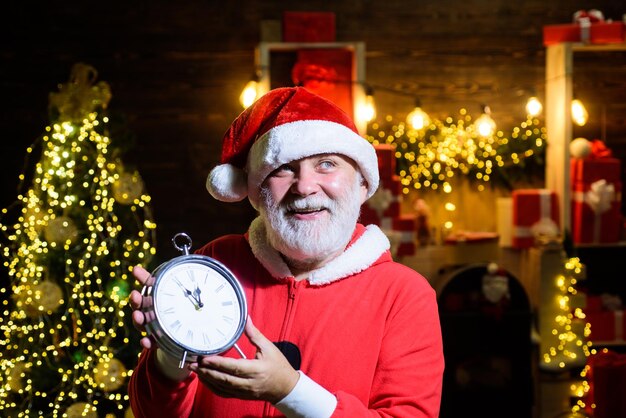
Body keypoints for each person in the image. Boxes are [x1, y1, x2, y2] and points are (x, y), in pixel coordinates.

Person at [128, 86, 444, 417]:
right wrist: (172, 352)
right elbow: (152, 412)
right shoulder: (215, 265)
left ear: (363, 183)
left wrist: (290, 391)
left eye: (326, 163)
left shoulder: (403, 295)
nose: (305, 186)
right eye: (284, 168)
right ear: (256, 190)